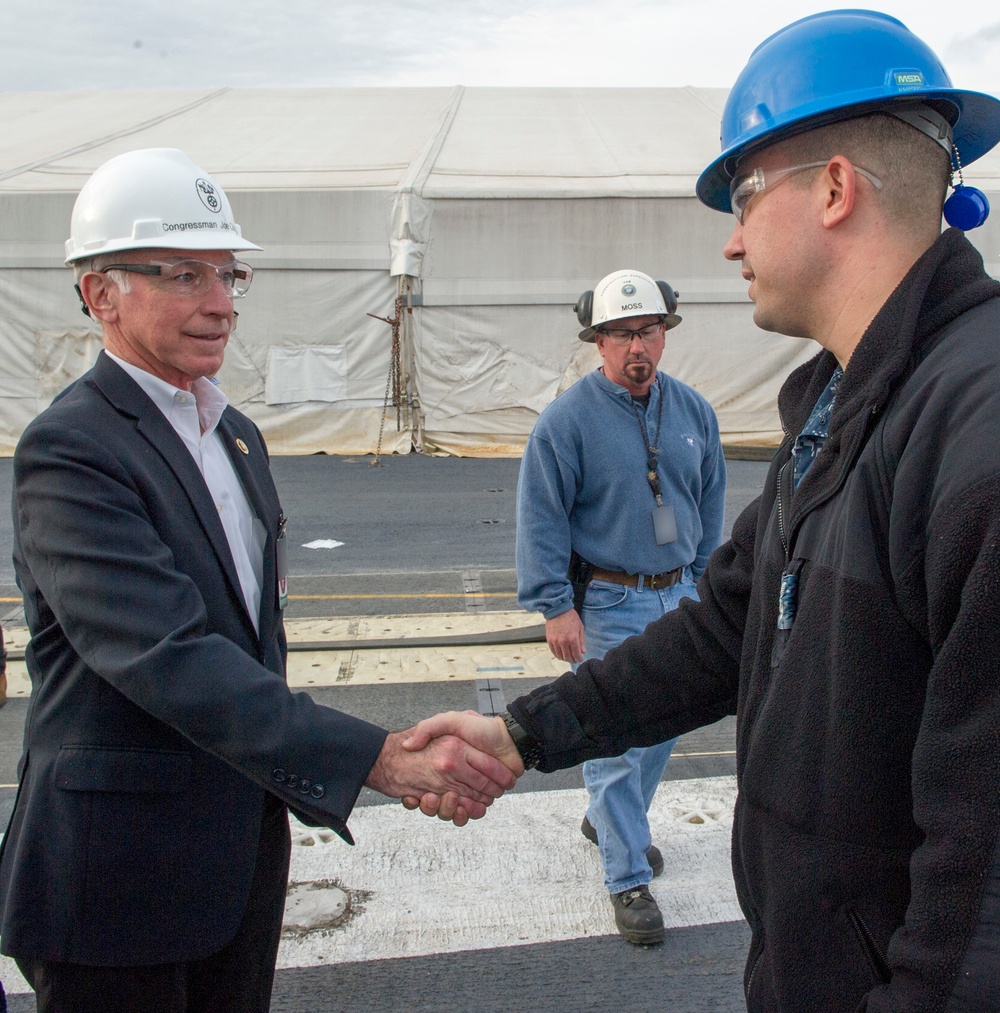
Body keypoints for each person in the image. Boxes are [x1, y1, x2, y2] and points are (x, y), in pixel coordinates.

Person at [405, 10, 1000, 1009]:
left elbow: (981, 883)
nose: (728, 243)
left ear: (834, 188)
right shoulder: (844, 402)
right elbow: (730, 623)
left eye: (741, 196)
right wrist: (522, 735)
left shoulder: (974, 425)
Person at [0, 147, 516, 1013]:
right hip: (116, 880)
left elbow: (251, 638)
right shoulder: (72, 449)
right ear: (99, 294)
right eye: (182, 274)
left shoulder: (234, 433)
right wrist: (379, 758)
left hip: (236, 856)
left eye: (229, 275)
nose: (219, 303)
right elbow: (168, 656)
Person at [515, 270, 725, 943]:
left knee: (662, 723)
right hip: (607, 599)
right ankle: (626, 875)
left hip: (677, 593)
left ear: (665, 334)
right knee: (612, 733)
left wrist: (699, 580)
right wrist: (555, 605)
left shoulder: (692, 411)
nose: (639, 345)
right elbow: (540, 515)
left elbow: (708, 500)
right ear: (598, 341)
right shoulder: (566, 422)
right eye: (623, 333)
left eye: (649, 330)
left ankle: (609, 820)